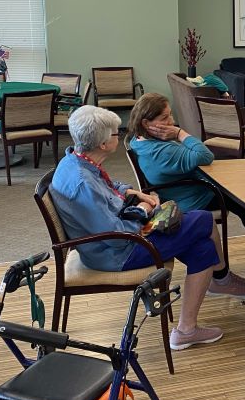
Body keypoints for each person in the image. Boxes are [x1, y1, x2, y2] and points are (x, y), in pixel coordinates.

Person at [50, 105, 226, 351]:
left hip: (110, 243)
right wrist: (143, 211)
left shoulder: (76, 160)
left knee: (202, 246)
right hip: (118, 253)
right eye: (114, 133)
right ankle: (219, 281)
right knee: (203, 220)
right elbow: (117, 236)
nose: (118, 135)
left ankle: (188, 329)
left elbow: (108, 190)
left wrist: (131, 192)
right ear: (102, 144)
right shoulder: (82, 183)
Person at [127, 92, 245, 296]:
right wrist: (179, 133)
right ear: (146, 122)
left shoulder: (138, 140)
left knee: (244, 202)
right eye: (165, 118)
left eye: (171, 115)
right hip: (194, 197)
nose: (172, 121)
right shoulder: (162, 152)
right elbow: (205, 155)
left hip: (188, 189)